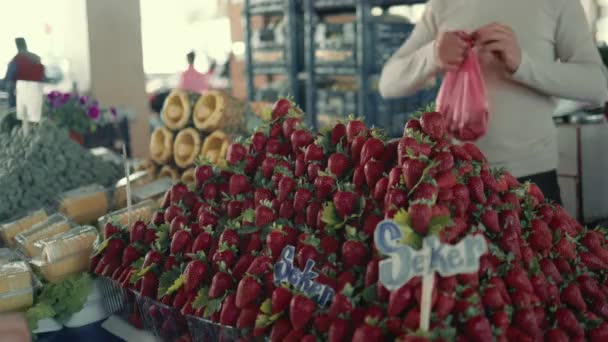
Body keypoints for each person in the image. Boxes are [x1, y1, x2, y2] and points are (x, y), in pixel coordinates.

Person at [379, 0, 608, 204]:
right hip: (456, 180)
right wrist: (432, 55)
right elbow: (388, 83)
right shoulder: (442, 4)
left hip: (531, 180)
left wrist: (523, 65)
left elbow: (597, 87)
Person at [3, 37, 45, 108]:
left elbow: (9, 78)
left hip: (22, 86)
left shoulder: (16, 60)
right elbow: (43, 74)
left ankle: (12, 106)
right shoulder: (35, 58)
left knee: (9, 84)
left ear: (17, 46)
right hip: (35, 88)